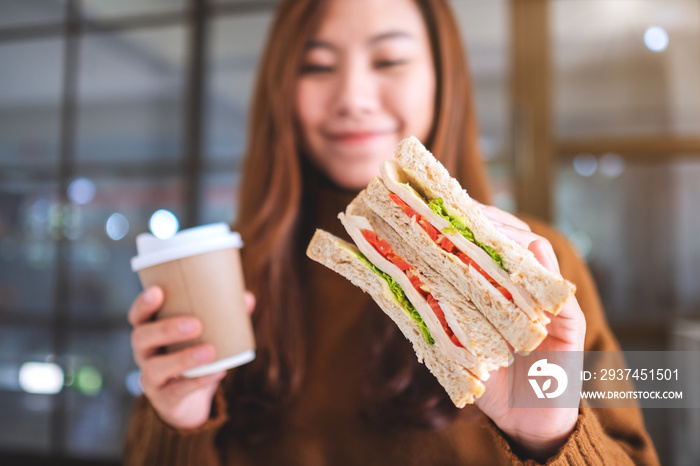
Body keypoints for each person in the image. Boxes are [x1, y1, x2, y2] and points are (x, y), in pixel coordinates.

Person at [124, 0, 660, 464]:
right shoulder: (224, 274)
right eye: (316, 66)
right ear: (281, 88)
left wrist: (548, 435)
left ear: (441, 79)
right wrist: (177, 422)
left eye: (390, 60)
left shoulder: (542, 268)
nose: (353, 97)